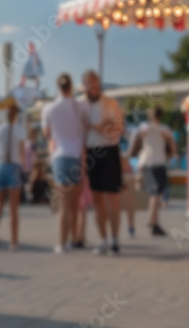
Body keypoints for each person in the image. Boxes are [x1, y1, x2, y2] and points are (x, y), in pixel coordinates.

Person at [41, 73, 88, 253]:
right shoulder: (80, 106)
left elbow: (46, 133)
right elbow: (84, 128)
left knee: (63, 206)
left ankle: (61, 243)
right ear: (71, 86)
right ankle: (73, 238)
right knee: (75, 206)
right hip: (76, 156)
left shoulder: (49, 108)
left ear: (57, 86)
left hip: (59, 156)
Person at [82, 70, 125, 255]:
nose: (94, 86)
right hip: (91, 153)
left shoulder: (111, 103)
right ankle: (103, 240)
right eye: (90, 83)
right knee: (97, 199)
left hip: (109, 151)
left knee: (112, 198)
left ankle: (115, 239)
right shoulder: (80, 105)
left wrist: (102, 126)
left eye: (97, 83)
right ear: (85, 85)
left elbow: (119, 128)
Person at [130, 106, 178, 236]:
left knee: (154, 193)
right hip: (158, 163)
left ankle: (154, 221)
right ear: (161, 115)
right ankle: (152, 221)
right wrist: (174, 155)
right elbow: (172, 143)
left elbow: (136, 136)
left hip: (146, 162)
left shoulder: (145, 127)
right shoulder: (164, 129)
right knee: (157, 193)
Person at [0, 105, 26, 250]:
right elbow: (22, 152)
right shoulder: (19, 130)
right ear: (16, 115)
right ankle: (14, 242)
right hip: (14, 167)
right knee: (13, 208)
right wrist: (24, 168)